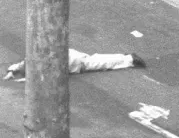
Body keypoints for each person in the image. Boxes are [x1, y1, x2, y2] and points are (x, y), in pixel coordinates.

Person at [3, 49, 146, 81]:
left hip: (74, 61)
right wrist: (12, 71)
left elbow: (44, 78)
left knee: (98, 63)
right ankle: (127, 59)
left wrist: (24, 79)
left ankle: (129, 59)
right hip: (70, 56)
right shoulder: (34, 59)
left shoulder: (43, 64)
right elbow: (22, 64)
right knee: (97, 60)